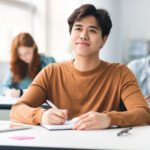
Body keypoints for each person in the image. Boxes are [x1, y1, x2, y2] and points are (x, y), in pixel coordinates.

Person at [10, 4, 150, 130]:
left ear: (104, 39)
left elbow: (143, 113)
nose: (83, 35)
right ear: (71, 34)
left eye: (92, 30)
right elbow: (17, 110)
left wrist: (109, 119)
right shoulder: (51, 72)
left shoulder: (121, 73)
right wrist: (42, 115)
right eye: (78, 28)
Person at [0, 32, 55, 97]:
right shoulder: (17, 64)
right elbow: (3, 87)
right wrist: (9, 92)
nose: (24, 57)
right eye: (20, 54)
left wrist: (21, 92)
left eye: (27, 53)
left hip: (42, 104)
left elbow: (52, 88)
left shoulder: (48, 61)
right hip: (20, 104)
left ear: (34, 47)